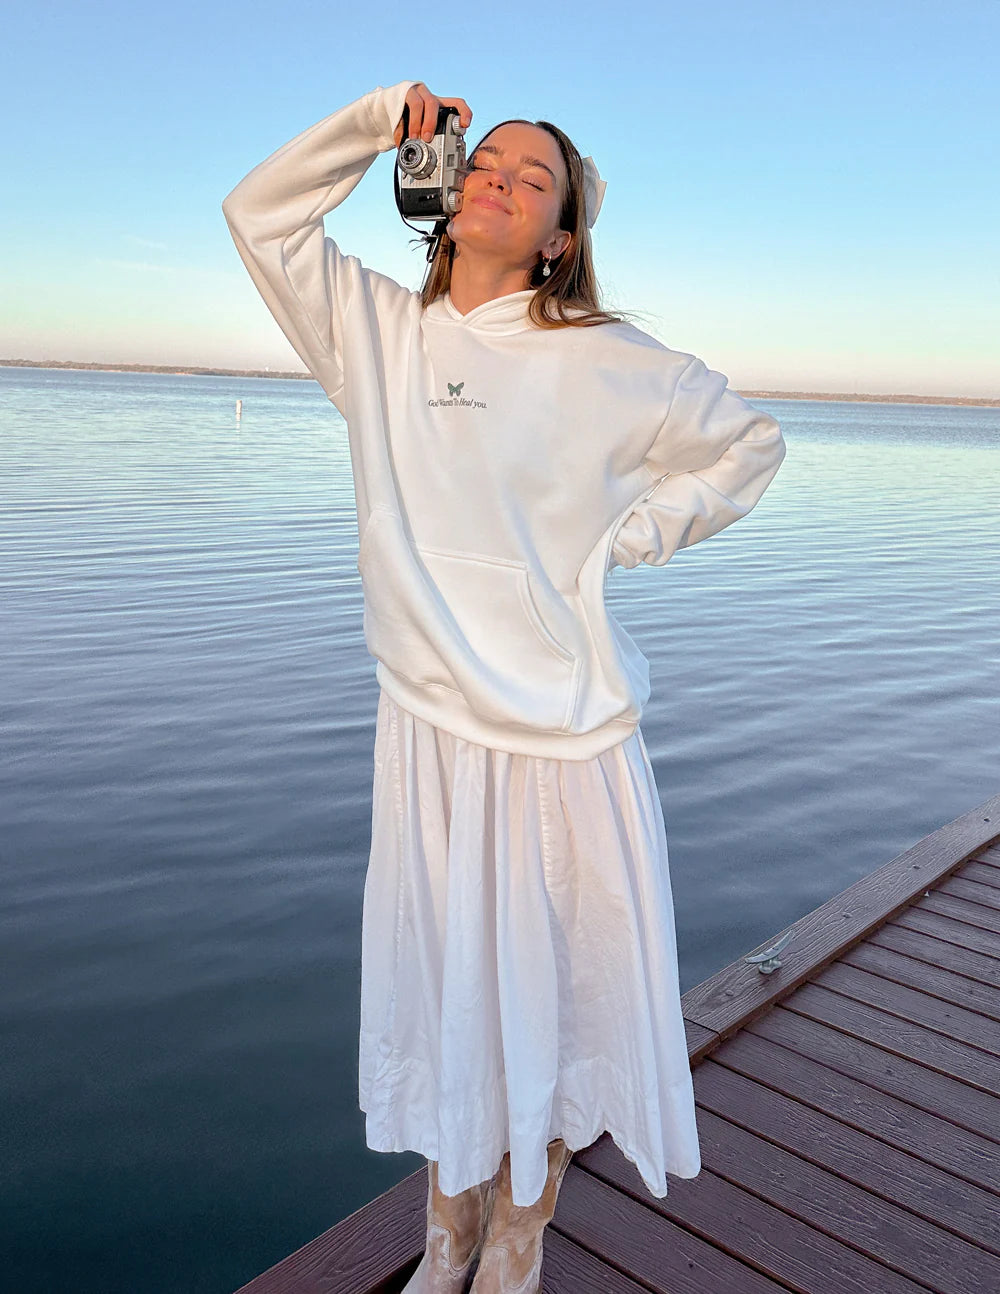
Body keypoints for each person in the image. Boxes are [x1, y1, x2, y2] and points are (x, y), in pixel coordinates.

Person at [222, 78, 786, 1294]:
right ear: (447, 191)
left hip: (563, 744)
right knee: (450, 1003)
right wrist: (379, 120)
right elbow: (258, 214)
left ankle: (516, 1245)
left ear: (560, 239)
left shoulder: (613, 363)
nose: (500, 180)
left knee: (553, 1005)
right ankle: (447, 1238)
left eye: (535, 180)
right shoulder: (375, 333)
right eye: (485, 162)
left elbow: (749, 444)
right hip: (427, 734)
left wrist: (626, 538)